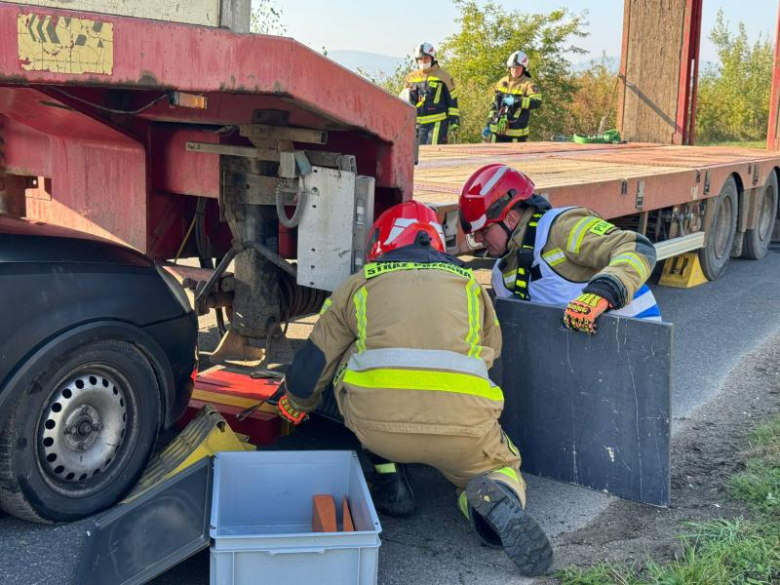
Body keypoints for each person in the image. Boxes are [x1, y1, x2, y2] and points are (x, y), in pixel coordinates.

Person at [276, 200, 553, 576]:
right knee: (501, 467)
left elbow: (313, 365)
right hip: (464, 430)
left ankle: (392, 483)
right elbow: (492, 357)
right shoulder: (471, 287)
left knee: (353, 361)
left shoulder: (358, 285)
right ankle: (488, 503)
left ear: (381, 242)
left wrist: (297, 402)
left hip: (379, 428)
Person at [458, 164, 660, 333]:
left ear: (510, 219)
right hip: (583, 352)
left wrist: (603, 292)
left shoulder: (561, 228)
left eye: (484, 230)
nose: (478, 238)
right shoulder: (501, 276)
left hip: (634, 333)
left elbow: (637, 248)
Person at [404, 42, 460, 145]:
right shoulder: (410, 78)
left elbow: (452, 100)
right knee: (419, 155)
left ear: (432, 58)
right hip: (418, 124)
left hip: (438, 123)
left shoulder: (444, 76)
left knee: (434, 151)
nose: (423, 61)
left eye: (425, 58)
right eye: (420, 59)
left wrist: (454, 120)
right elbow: (406, 100)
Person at [485, 51, 542, 143]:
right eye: (513, 68)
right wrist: (488, 124)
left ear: (523, 69)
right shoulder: (501, 82)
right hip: (497, 131)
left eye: (518, 68)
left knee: (515, 158)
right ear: (509, 68)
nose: (515, 70)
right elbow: (494, 106)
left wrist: (516, 101)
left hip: (516, 134)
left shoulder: (529, 84)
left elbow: (536, 102)